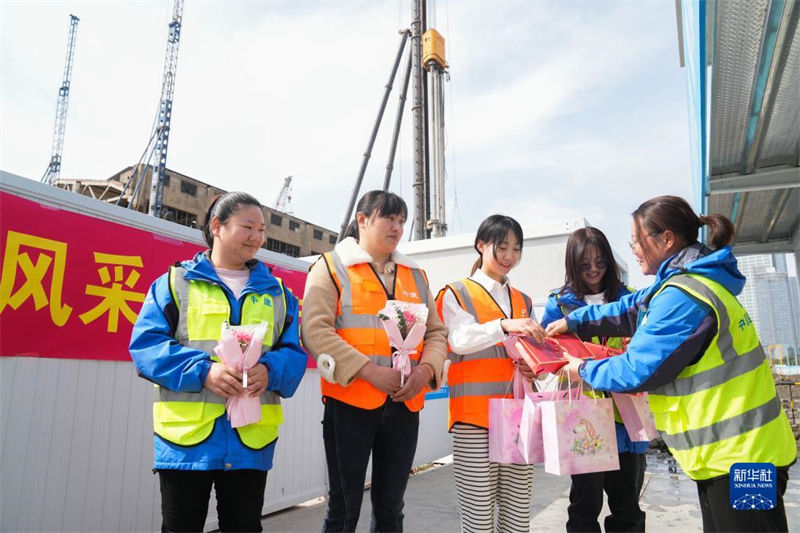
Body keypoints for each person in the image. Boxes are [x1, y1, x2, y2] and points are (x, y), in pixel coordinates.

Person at [547, 195, 796, 532]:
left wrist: (582, 368)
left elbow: (638, 369)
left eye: (637, 240)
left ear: (665, 239)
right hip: (730, 456)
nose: (633, 249)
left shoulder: (683, 296)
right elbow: (631, 308)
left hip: (743, 460)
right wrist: (577, 320)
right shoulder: (683, 284)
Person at [130, 192, 307, 532]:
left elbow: (294, 353)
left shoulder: (279, 294)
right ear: (217, 226)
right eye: (247, 226)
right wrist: (204, 371)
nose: (257, 237)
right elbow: (146, 346)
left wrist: (269, 372)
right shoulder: (174, 283)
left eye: (261, 229)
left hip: (249, 441)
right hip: (186, 443)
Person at [301, 190, 447, 532]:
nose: (397, 227)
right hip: (350, 404)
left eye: (401, 221)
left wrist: (426, 369)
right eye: (388, 218)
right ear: (362, 220)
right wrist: (368, 371)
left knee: (391, 509)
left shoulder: (416, 275)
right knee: (343, 510)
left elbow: (437, 334)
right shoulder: (331, 267)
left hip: (404, 405)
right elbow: (315, 330)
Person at [435, 214, 546, 533]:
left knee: (517, 516)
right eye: (502, 247)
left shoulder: (523, 300)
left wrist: (532, 365)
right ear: (481, 245)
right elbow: (458, 340)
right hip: (474, 418)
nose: (510, 256)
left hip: (518, 417)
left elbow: (534, 352)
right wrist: (502, 325)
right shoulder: (456, 293)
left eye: (516, 248)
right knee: (478, 516)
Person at [540, 227, 648, 532]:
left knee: (627, 505)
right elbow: (547, 352)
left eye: (600, 262)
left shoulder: (631, 301)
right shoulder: (558, 304)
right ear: (573, 265)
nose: (593, 270)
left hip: (626, 417)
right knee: (584, 507)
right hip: (583, 418)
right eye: (585, 264)